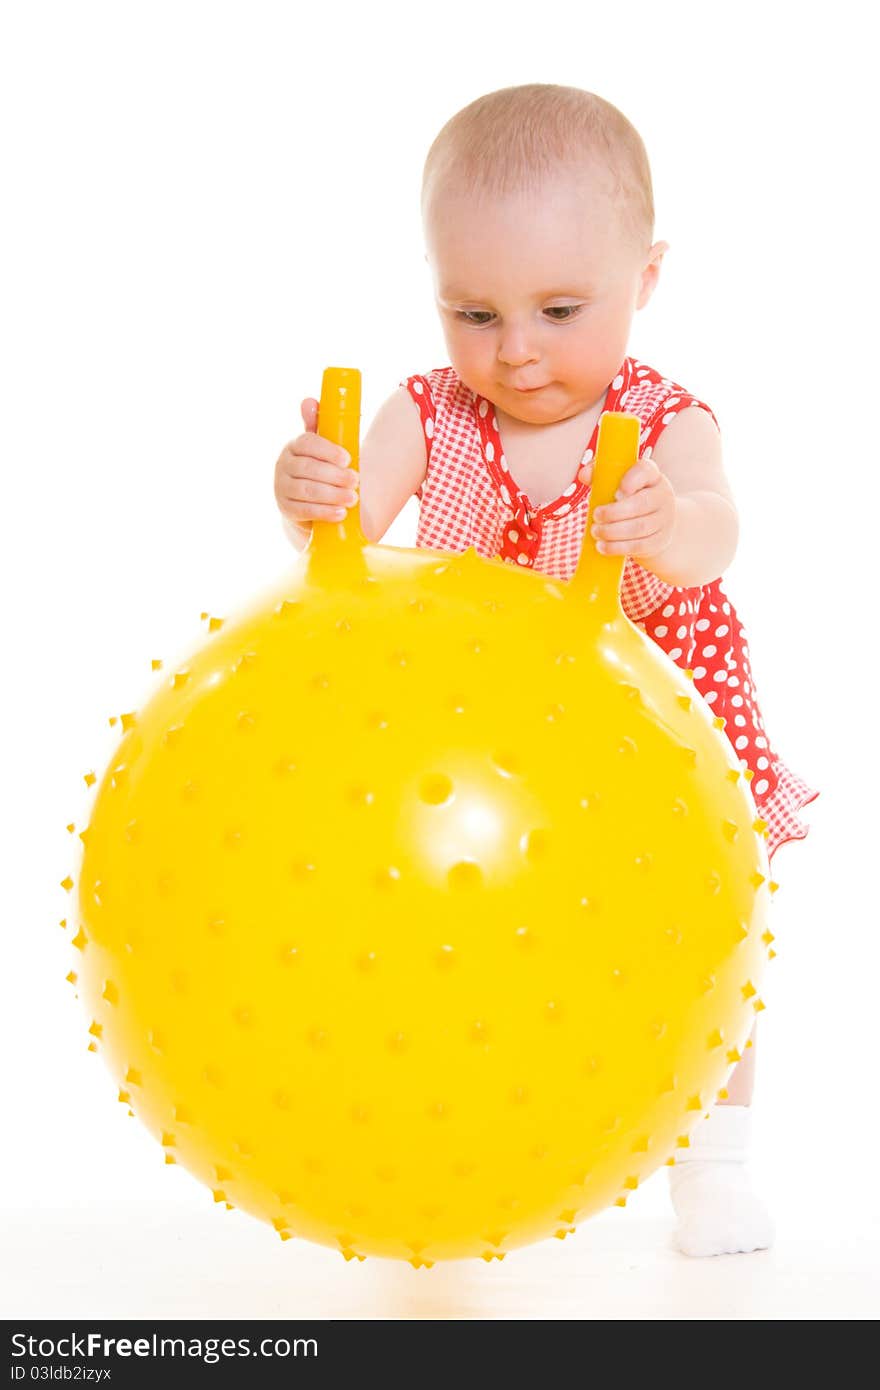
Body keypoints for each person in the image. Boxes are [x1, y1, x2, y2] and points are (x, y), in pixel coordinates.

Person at [272, 83, 819, 1258]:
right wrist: (311, 488)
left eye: (560, 308)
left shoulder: (660, 423)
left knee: (701, 940)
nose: (513, 351)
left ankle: (712, 1168)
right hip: (482, 752)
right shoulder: (427, 413)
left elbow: (720, 530)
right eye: (472, 312)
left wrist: (666, 525)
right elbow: (347, 542)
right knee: (460, 938)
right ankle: (454, 1127)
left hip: (647, 748)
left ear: (646, 279)